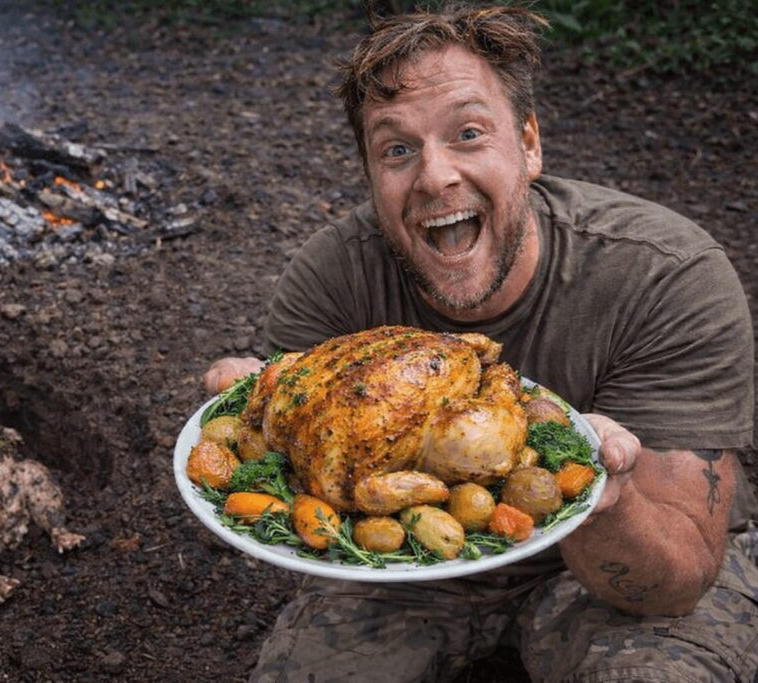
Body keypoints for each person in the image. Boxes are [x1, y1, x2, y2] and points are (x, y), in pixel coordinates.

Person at [203, 4, 758, 682]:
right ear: (371, 175)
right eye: (397, 149)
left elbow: (679, 580)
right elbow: (304, 509)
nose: (435, 177)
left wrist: (602, 500)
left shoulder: (664, 276)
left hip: (615, 570)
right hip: (408, 570)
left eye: (468, 133)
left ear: (527, 143)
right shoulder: (330, 281)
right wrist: (258, 411)